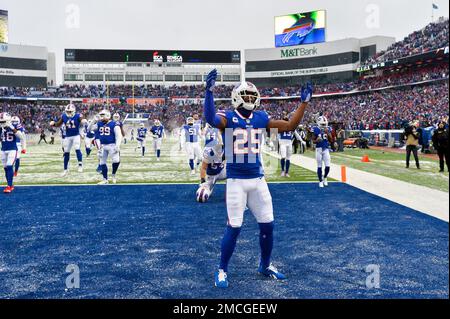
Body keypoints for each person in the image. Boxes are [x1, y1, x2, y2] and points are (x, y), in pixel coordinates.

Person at [203, 69, 313, 288]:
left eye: (253, 96)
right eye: (247, 96)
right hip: (236, 181)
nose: (250, 100)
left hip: (258, 180)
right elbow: (210, 118)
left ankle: (265, 265)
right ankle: (222, 269)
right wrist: (209, 92)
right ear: (236, 97)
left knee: (268, 225)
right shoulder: (228, 116)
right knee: (234, 227)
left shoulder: (261, 117)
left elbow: (290, 126)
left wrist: (303, 104)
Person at [50, 103, 87, 176]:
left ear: (73, 111)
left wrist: (83, 121)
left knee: (77, 148)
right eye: (67, 111)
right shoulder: (64, 116)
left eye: (70, 111)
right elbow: (58, 124)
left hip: (76, 135)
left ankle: (80, 165)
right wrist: (54, 123)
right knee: (66, 152)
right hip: (67, 136)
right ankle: (65, 169)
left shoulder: (77, 115)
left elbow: (81, 119)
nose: (68, 113)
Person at [88, 110, 122, 185]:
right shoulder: (99, 123)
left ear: (107, 115)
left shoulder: (114, 124)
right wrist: (93, 121)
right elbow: (89, 129)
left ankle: (113, 175)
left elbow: (119, 136)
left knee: (116, 161)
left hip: (112, 145)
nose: (101, 117)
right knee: (102, 162)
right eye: (101, 115)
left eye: (103, 115)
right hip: (103, 145)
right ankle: (105, 179)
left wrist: (118, 145)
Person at [0, 113, 27, 193]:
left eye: (3, 121)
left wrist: (11, 128)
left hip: (12, 149)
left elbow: (21, 136)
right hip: (3, 149)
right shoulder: (1, 128)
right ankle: (10, 185)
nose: (1, 123)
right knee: (5, 168)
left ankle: (9, 185)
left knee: (9, 166)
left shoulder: (14, 126)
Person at [313, 116, 332, 187]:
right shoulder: (316, 129)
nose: (324, 125)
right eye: (322, 124)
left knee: (328, 166)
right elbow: (313, 140)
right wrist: (316, 140)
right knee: (319, 166)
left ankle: (325, 177)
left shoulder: (328, 129)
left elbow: (331, 140)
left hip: (326, 149)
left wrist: (328, 133)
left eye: (325, 124)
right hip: (318, 149)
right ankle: (320, 181)